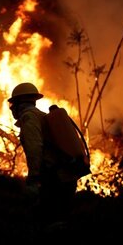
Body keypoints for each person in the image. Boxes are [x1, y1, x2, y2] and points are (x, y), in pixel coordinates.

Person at [8, 82, 79, 231]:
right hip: (65, 174)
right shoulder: (41, 116)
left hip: (54, 177)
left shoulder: (29, 118)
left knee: (50, 222)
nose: (11, 109)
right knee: (61, 219)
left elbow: (34, 148)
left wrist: (34, 178)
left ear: (18, 104)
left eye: (12, 104)